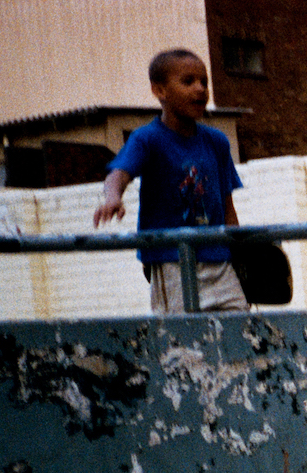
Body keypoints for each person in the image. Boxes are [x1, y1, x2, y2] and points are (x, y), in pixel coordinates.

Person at [93, 49, 247, 314]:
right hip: (172, 261)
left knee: (241, 330)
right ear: (160, 91)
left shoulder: (217, 142)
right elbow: (119, 173)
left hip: (219, 260)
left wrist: (239, 255)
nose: (200, 89)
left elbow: (227, 205)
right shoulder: (148, 139)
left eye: (204, 82)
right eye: (188, 82)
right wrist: (112, 197)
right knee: (182, 344)